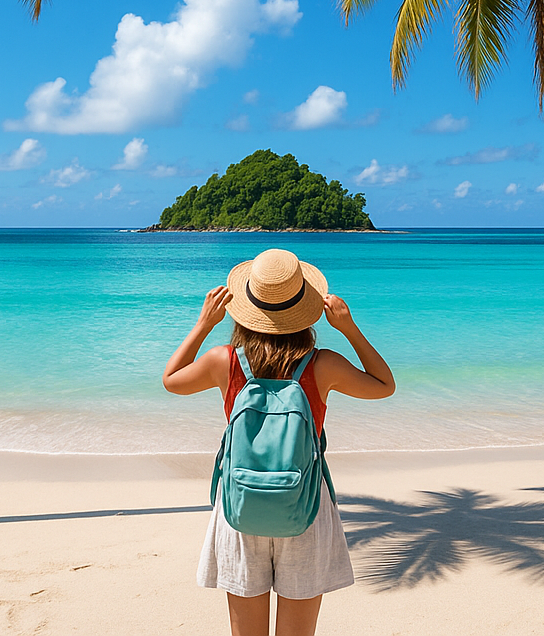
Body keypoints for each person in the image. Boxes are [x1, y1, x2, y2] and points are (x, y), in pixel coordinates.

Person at [163, 248, 395, 636]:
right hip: (306, 504)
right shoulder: (324, 365)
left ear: (245, 307)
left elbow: (172, 380)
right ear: (304, 309)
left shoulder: (225, 361)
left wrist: (204, 324)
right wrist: (349, 327)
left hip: (240, 505)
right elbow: (384, 386)